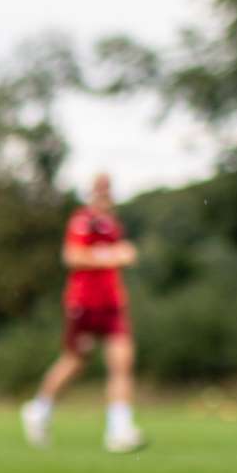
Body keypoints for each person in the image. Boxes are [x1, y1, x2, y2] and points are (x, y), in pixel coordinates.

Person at [20, 172, 146, 454]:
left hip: (112, 304)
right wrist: (114, 255)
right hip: (83, 304)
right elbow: (73, 257)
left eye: (108, 189)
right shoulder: (82, 220)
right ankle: (39, 409)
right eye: (100, 189)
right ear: (92, 192)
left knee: (122, 363)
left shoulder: (113, 224)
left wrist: (119, 254)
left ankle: (119, 430)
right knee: (75, 361)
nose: (105, 194)